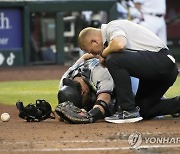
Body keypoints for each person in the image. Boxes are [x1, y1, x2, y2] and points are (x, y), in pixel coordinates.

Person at [78, 19, 180, 123]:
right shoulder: (109, 37)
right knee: (144, 109)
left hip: (162, 60)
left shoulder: (111, 27)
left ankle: (127, 111)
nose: (95, 55)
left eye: (92, 51)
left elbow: (120, 44)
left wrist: (104, 54)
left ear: (94, 41)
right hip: (162, 68)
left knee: (113, 59)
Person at [55, 53, 139, 123]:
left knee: (113, 107)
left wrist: (91, 115)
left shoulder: (100, 72)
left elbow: (104, 100)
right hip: (97, 76)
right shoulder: (64, 81)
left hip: (133, 80)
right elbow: (84, 57)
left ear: (83, 92)